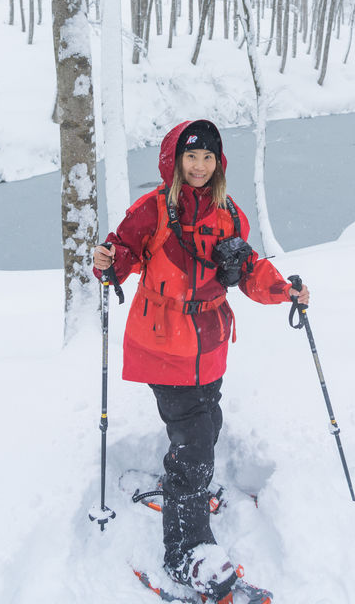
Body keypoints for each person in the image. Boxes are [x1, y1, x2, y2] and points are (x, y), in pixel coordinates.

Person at [93, 120, 309, 602]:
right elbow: (123, 250)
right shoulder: (151, 210)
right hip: (163, 342)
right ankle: (186, 550)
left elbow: (248, 268)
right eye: (191, 156)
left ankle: (186, 488)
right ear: (175, 160)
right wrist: (108, 261)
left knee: (208, 421)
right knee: (193, 443)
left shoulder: (227, 213)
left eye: (208, 157)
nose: (199, 165)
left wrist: (285, 290)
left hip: (209, 343)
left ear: (218, 163)